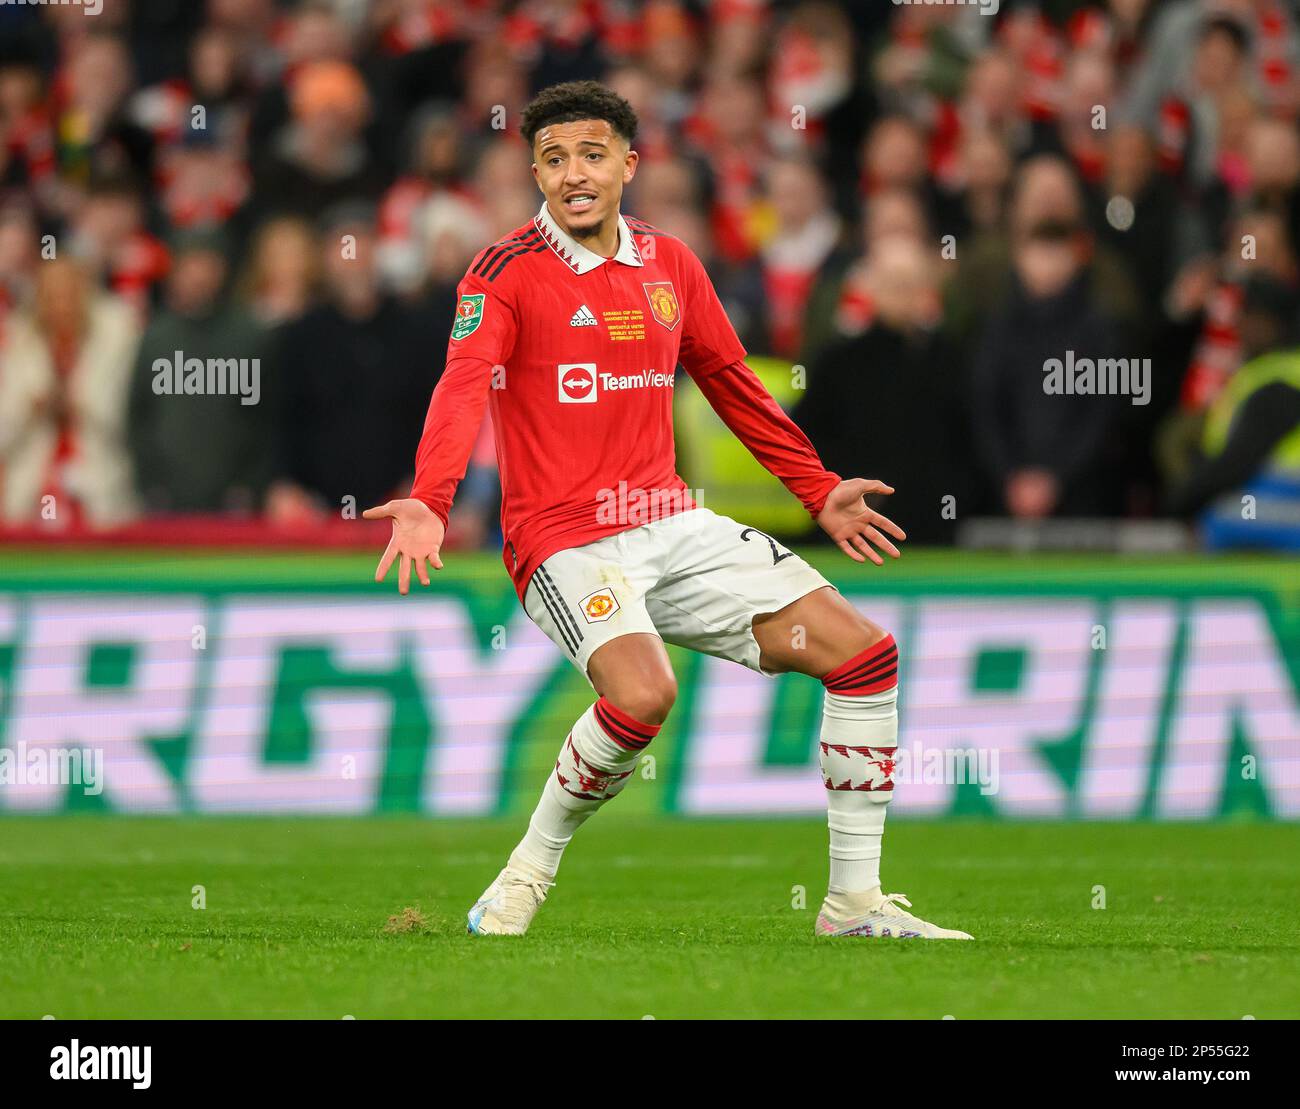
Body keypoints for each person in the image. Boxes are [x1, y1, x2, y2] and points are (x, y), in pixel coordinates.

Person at [364, 81, 972, 942]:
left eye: (591, 153)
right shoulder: (502, 273)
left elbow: (729, 379)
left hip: (671, 522)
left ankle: (854, 903)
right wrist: (430, 499)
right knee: (646, 695)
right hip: (563, 538)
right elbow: (462, 385)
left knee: (865, 656)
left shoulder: (671, 264)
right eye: (553, 158)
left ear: (628, 164)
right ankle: (526, 873)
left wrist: (814, 487)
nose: (573, 173)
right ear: (535, 171)